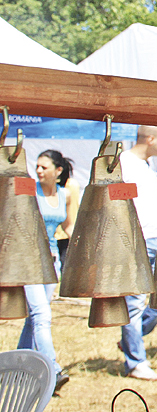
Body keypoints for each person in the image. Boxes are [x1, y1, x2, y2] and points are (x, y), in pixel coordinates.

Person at [118, 125, 157, 381]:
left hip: (154, 238)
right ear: (150, 139)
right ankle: (135, 361)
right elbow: (116, 198)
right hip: (135, 239)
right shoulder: (124, 163)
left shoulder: (148, 167)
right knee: (135, 303)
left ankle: (132, 338)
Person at [19, 149, 73, 394]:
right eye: (37, 167)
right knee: (41, 315)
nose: (39, 171)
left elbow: (68, 226)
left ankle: (20, 367)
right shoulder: (29, 190)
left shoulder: (65, 194)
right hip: (30, 260)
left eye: (44, 167)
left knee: (34, 319)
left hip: (52, 262)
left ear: (58, 170)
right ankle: (53, 369)